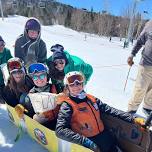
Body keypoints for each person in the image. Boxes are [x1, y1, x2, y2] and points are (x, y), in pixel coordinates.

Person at [55, 71, 145, 152]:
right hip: (89, 143)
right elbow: (60, 130)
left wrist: (133, 119)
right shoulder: (68, 105)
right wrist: (85, 141)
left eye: (78, 83)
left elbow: (111, 110)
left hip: (105, 137)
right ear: (67, 87)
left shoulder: (91, 99)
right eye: (72, 84)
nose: (76, 86)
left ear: (83, 84)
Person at [20, 63, 60, 130]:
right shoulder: (31, 95)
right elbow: (29, 112)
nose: (39, 79)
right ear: (32, 79)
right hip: (44, 126)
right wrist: (21, 109)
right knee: (36, 117)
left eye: (42, 76)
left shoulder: (57, 88)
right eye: (35, 77)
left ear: (47, 76)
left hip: (59, 121)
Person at [127, 20, 152, 115]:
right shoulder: (150, 24)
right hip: (146, 64)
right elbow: (140, 41)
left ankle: (148, 107)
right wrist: (131, 55)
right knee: (140, 88)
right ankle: (131, 109)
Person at [0, 36, 13, 104]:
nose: (1, 46)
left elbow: (12, 62)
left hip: (5, 81)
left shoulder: (7, 51)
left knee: (5, 99)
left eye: (2, 44)